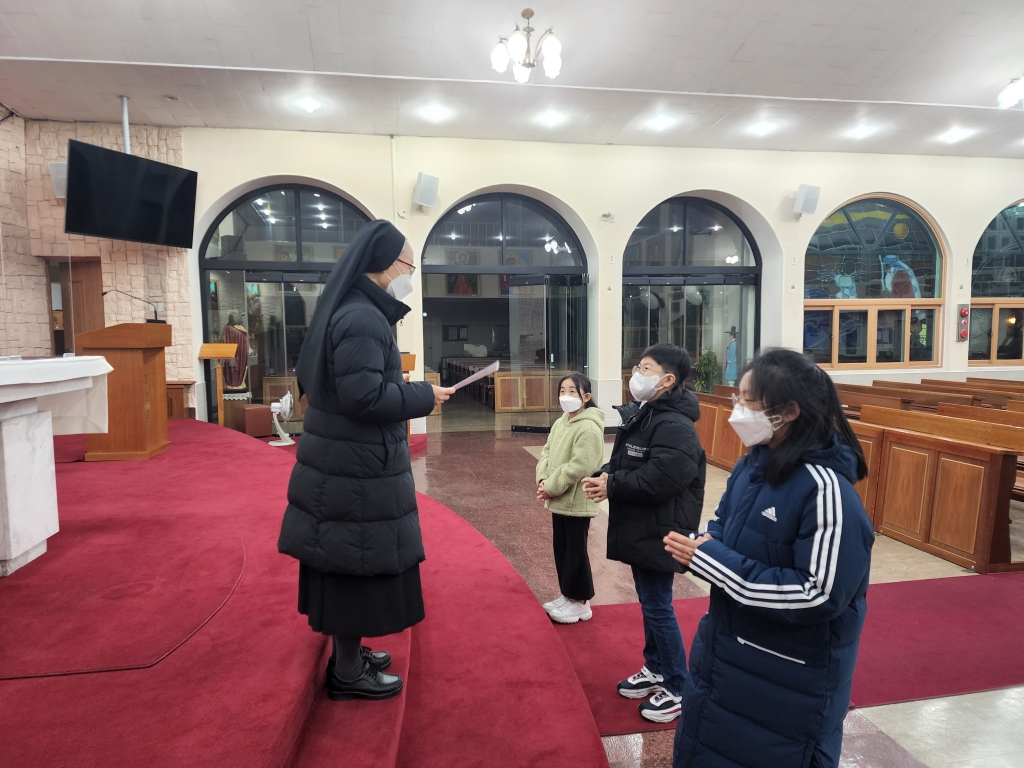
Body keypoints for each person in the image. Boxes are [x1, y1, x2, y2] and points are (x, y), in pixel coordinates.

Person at [665, 348, 875, 768]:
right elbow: (724, 523)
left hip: (787, 680)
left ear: (789, 412)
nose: (737, 410)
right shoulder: (753, 466)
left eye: (748, 401)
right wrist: (702, 545)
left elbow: (818, 594)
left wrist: (712, 561)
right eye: (737, 398)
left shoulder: (825, 491)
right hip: (728, 655)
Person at [277, 220, 455, 702]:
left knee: (349, 559)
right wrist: (424, 395)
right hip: (352, 467)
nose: (410, 276)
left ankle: (350, 654)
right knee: (352, 562)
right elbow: (364, 397)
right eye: (410, 266)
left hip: (345, 458)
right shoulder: (362, 317)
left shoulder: (354, 306)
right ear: (388, 264)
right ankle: (348, 671)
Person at [582, 343, 706, 724]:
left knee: (657, 605)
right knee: (650, 601)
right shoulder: (648, 412)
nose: (637, 374)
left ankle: (678, 685)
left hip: (661, 528)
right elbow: (629, 460)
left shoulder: (676, 425)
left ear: (667, 380)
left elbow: (662, 478)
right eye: (638, 366)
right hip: (644, 525)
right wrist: (607, 474)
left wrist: (613, 485)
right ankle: (655, 667)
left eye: (646, 368)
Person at [536, 373, 606, 625]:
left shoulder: (588, 428)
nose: (566, 396)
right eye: (562, 391)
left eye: (572, 392)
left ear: (585, 397)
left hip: (576, 500)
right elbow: (546, 452)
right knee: (562, 549)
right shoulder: (561, 422)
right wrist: (543, 479)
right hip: (559, 498)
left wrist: (551, 486)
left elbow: (580, 466)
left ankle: (581, 602)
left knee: (576, 552)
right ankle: (568, 594)